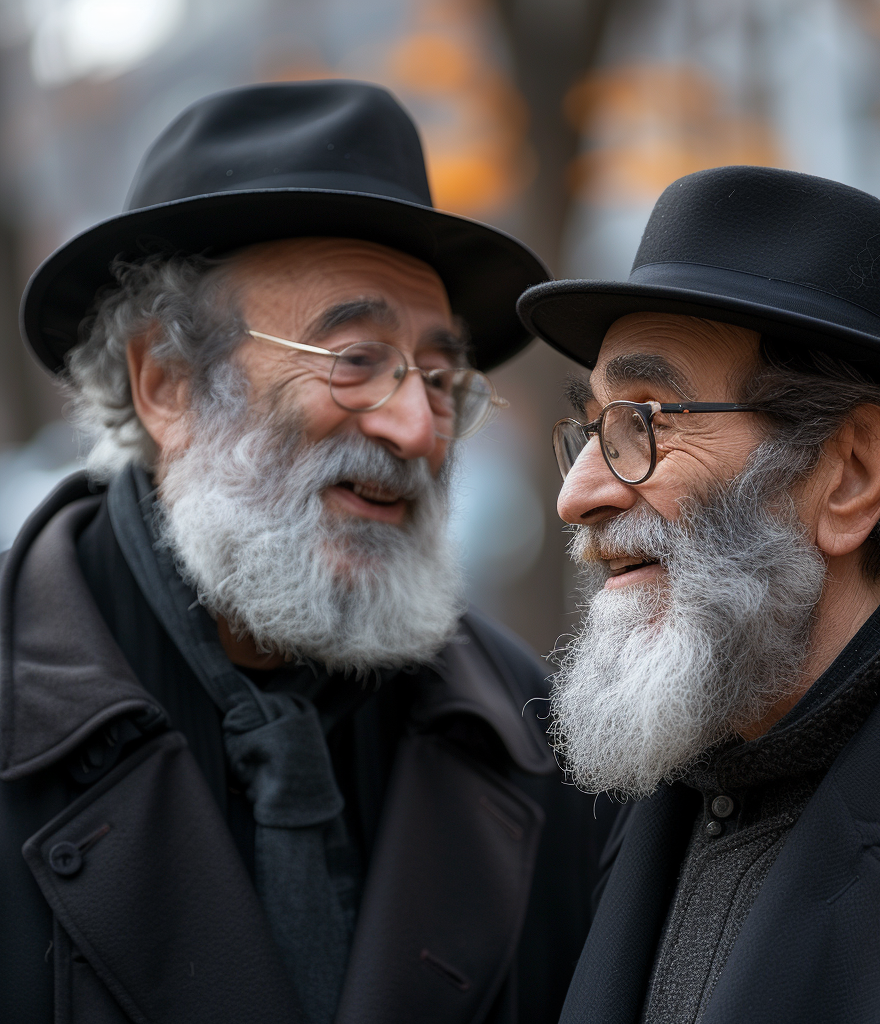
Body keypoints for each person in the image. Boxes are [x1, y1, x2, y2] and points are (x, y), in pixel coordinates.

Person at [0, 81, 607, 1024]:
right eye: (357, 359)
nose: (415, 426)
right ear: (167, 383)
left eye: (441, 378)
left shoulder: (537, 745)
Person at [517, 165, 880, 1023]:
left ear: (849, 476)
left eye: (647, 421)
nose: (578, 495)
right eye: (594, 428)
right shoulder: (611, 792)